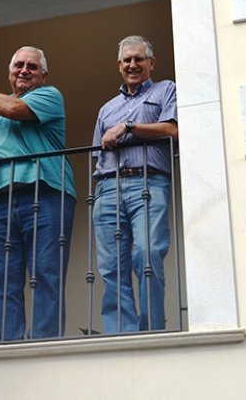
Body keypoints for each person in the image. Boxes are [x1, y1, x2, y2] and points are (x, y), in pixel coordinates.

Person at [0, 46, 76, 341]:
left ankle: (45, 343)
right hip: (0, 200)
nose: (24, 70)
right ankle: (7, 345)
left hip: (46, 192)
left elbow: (14, 110)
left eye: (32, 66)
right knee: (0, 279)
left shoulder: (50, 95)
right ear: (10, 72)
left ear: (43, 74)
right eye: (18, 65)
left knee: (47, 273)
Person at [92, 35, 178, 333]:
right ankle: (121, 334)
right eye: (127, 60)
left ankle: (151, 330)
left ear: (151, 63)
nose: (132, 64)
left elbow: (173, 130)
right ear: (119, 66)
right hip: (107, 188)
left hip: (148, 182)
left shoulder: (166, 90)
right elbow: (97, 153)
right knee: (111, 267)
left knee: (148, 253)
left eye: (139, 59)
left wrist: (129, 127)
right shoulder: (106, 109)